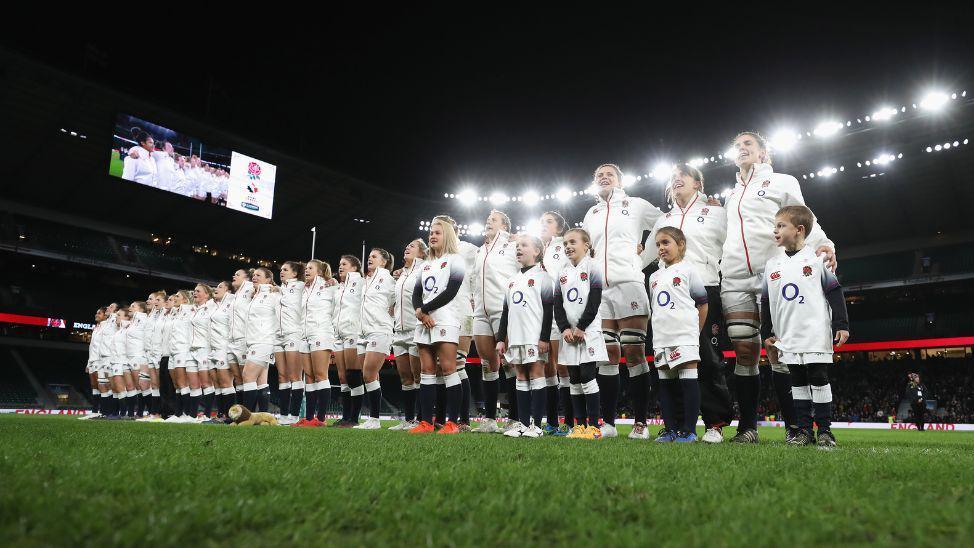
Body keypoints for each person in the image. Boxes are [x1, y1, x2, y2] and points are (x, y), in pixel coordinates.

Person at [721, 132, 837, 444]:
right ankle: (747, 428)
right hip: (734, 277)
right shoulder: (730, 196)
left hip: (775, 273)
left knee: (779, 351)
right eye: (738, 145)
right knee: (744, 350)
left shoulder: (782, 181)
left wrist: (824, 242)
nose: (742, 148)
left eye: (748, 144)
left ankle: (795, 428)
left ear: (763, 153)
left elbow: (804, 218)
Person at [651, 166, 733, 443]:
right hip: (670, 296)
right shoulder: (664, 218)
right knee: (671, 364)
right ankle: (677, 426)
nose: (675, 178)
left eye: (682, 174)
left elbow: (735, 244)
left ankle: (715, 423)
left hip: (704, 288)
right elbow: (650, 254)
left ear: (698, 183)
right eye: (671, 175)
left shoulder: (717, 213)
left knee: (707, 360)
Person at [582, 163, 662, 438]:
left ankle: (641, 423)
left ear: (620, 181)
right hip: (599, 289)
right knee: (607, 356)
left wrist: (643, 257)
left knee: (634, 352)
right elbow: (586, 248)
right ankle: (609, 424)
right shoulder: (591, 213)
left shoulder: (636, 204)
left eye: (609, 175)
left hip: (629, 282)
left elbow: (665, 222)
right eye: (599, 175)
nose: (604, 178)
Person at [761, 205, 849, 447]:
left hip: (815, 332)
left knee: (819, 377)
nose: (775, 230)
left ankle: (825, 430)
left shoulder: (817, 259)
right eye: (775, 226)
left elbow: (834, 291)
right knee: (797, 381)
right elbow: (766, 301)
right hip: (787, 335)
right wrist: (766, 333)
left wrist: (841, 324)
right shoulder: (771, 265)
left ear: (799, 230)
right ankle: (803, 431)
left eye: (781, 226)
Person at [649, 227, 708, 442]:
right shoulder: (654, 277)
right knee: (665, 383)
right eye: (658, 244)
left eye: (666, 242)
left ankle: (689, 430)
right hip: (661, 337)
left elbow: (702, 304)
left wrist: (695, 332)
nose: (661, 248)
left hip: (685, 335)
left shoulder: (689, 270)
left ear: (681, 244)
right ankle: (670, 429)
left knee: (688, 382)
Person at [409, 217, 467, 434]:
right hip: (424, 321)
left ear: (448, 236)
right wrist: (420, 312)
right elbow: (416, 293)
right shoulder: (424, 265)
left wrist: (423, 310)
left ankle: (453, 423)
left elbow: (450, 291)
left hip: (445, 319)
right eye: (431, 232)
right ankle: (426, 422)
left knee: (449, 369)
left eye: (438, 232)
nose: (432, 235)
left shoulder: (456, 260)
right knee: (427, 371)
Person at [496, 234, 555, 438]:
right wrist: (500, 339)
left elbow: (548, 311)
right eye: (517, 245)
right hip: (516, 337)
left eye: (524, 245)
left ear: (537, 251)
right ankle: (522, 424)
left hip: (534, 336)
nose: (518, 248)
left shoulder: (544, 277)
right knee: (520, 376)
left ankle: (536, 426)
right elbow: (506, 312)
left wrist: (544, 338)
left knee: (536, 374)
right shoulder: (511, 280)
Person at [553, 228, 606, 439]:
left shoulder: (593, 268)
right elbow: (558, 304)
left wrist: (582, 327)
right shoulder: (561, 272)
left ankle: (594, 426)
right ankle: (580, 426)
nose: (568, 247)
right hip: (569, 334)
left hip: (588, 331)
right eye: (565, 243)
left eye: (573, 242)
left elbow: (595, 300)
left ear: (587, 245)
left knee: (587, 375)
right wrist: (565, 327)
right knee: (573, 378)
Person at [471, 210, 519, 433]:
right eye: (487, 219)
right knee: (487, 364)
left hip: (503, 308)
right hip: (480, 311)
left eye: (493, 220)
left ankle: (515, 418)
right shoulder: (480, 250)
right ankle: (489, 420)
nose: (488, 222)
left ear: (505, 227)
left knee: (509, 362)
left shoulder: (512, 246)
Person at [354, 249, 396, 429]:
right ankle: (372, 419)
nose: (369, 259)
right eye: (369, 256)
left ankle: (375, 419)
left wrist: (392, 315)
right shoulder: (365, 281)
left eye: (374, 256)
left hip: (380, 330)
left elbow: (398, 300)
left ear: (384, 262)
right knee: (369, 376)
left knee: (368, 373)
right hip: (362, 332)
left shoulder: (389, 279)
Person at [539, 211, 571, 435]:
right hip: (543, 311)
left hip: (562, 309)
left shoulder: (563, 247)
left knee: (563, 366)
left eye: (548, 222)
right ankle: (551, 422)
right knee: (548, 367)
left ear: (559, 228)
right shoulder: (541, 248)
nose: (543, 225)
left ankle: (569, 422)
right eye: (541, 222)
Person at [390, 239, 427, 430]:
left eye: (412, 246)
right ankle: (409, 419)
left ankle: (422, 419)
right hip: (399, 331)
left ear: (421, 253)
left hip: (416, 328)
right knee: (405, 377)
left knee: (418, 376)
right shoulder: (401, 274)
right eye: (407, 245)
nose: (407, 247)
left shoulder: (424, 270)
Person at [294, 259, 337, 427]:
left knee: (320, 374)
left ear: (319, 272)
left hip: (321, 333)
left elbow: (344, 292)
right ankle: (310, 418)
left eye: (311, 268)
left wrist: (334, 282)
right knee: (309, 376)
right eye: (306, 268)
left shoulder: (328, 287)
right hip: (304, 335)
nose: (307, 270)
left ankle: (320, 419)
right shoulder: (304, 289)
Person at [242, 268, 282, 411]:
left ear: (268, 280)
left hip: (264, 341)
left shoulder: (273, 294)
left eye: (258, 275)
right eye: (253, 275)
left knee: (247, 376)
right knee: (261, 381)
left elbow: (282, 315)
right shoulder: (255, 296)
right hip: (254, 341)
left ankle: (245, 416)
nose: (254, 277)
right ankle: (262, 417)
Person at [332, 255, 363, 427]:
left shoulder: (361, 282)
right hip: (338, 334)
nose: (341, 266)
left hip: (353, 331)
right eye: (339, 264)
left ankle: (354, 418)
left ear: (354, 268)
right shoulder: (338, 287)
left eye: (344, 264)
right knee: (342, 377)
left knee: (353, 375)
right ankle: (345, 417)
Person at [276, 262, 307, 425]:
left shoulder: (302, 286)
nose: (281, 272)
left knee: (295, 376)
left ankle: (295, 415)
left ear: (295, 273)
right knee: (282, 376)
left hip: (294, 334)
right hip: (278, 335)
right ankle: (283, 415)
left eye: (285, 270)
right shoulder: (279, 289)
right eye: (281, 270)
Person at [166, 290, 198, 422]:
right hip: (173, 351)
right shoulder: (176, 313)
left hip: (182, 349)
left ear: (185, 300)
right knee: (177, 384)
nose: (174, 298)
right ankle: (178, 413)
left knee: (183, 383)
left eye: (177, 297)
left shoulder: (190, 310)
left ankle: (187, 413)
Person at [208, 281, 237, 421]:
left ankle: (230, 416)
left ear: (229, 291)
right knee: (217, 384)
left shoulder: (231, 302)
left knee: (226, 383)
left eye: (220, 287)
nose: (216, 288)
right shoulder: (213, 306)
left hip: (224, 346)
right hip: (212, 348)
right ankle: (221, 414)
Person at [227, 269, 254, 402]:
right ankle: (239, 413)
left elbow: (269, 287)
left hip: (243, 339)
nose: (234, 276)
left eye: (237, 274)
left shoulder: (250, 287)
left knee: (245, 377)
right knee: (237, 378)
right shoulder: (236, 294)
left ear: (247, 278)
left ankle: (249, 413)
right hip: (231, 340)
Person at [81, 307, 108, 419]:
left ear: (105, 315)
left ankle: (103, 410)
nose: (96, 314)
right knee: (94, 386)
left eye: (99, 313)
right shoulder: (96, 328)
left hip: (100, 359)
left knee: (101, 385)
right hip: (92, 359)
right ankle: (94, 410)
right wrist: (88, 362)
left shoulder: (106, 327)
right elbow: (92, 346)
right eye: (96, 312)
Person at [126, 301, 150, 418]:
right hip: (130, 356)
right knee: (137, 386)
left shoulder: (143, 319)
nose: (130, 308)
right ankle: (139, 413)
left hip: (138, 355)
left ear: (141, 309)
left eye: (133, 306)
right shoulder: (133, 321)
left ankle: (144, 412)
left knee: (141, 386)